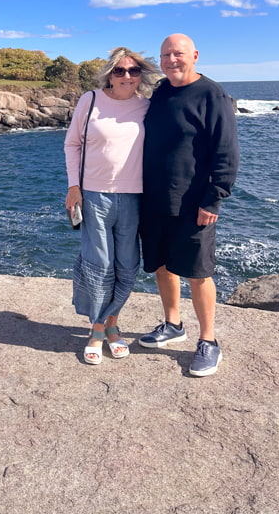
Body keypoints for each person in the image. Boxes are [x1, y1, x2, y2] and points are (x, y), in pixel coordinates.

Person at [139, 33, 239, 377]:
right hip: (153, 200)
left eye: (178, 53)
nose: (171, 60)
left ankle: (209, 341)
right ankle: (172, 324)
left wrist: (214, 197)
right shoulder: (161, 92)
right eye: (165, 54)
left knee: (198, 272)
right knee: (162, 266)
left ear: (194, 55)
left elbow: (227, 153)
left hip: (195, 202)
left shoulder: (213, 95)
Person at [65, 47, 159, 365]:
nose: (127, 76)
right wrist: (73, 187)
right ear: (109, 74)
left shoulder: (147, 107)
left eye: (133, 71)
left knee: (127, 265)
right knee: (98, 264)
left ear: (141, 74)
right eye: (120, 71)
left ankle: (113, 324)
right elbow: (72, 144)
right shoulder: (89, 100)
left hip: (136, 197)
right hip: (94, 195)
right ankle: (97, 331)